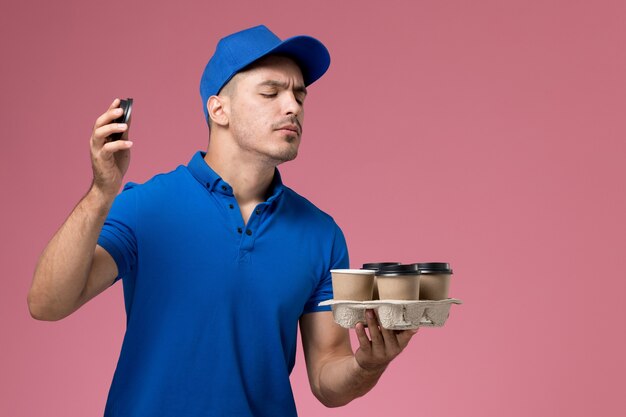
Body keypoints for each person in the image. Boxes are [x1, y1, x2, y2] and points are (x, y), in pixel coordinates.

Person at [28, 25, 416, 416]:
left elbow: (327, 379)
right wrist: (100, 193)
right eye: (271, 92)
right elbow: (47, 303)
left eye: (300, 95)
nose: (293, 107)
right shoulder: (146, 206)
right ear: (219, 109)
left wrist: (368, 363)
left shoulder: (321, 235)